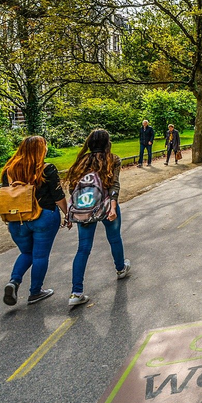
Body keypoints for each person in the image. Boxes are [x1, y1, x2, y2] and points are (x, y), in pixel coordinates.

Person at [65, 129, 130, 307]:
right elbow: (114, 184)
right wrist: (113, 206)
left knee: (83, 248)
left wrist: (73, 211)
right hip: (107, 204)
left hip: (85, 208)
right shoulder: (113, 159)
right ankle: (120, 268)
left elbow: (73, 188)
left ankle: (76, 292)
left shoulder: (82, 161)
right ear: (107, 143)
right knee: (114, 238)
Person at [1, 136, 69, 306]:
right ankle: (35, 292)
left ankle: (14, 281)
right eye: (44, 146)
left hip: (17, 219)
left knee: (26, 253)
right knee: (40, 255)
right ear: (41, 149)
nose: (46, 148)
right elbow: (58, 196)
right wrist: (67, 214)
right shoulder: (46, 169)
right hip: (43, 216)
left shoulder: (8, 171)